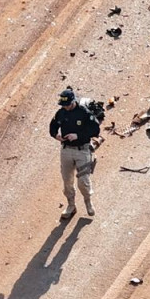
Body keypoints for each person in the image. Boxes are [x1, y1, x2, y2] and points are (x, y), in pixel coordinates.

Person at [49, 88, 101, 219]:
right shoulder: (61, 113)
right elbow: (52, 126)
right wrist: (57, 136)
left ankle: (88, 202)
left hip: (82, 150)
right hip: (66, 150)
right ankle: (71, 206)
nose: (65, 107)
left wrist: (77, 135)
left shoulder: (84, 112)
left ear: (73, 101)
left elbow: (95, 130)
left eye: (67, 105)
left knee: (83, 181)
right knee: (67, 181)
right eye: (63, 105)